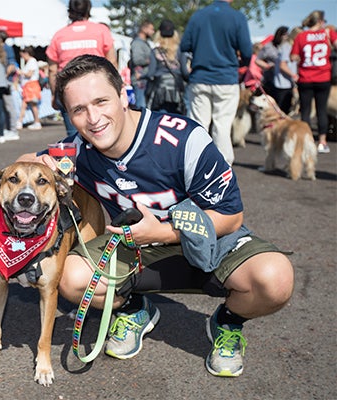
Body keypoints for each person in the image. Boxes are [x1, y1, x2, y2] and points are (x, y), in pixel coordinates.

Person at [20, 54, 294, 378]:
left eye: (101, 101)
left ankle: (229, 321)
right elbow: (25, 161)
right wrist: (38, 166)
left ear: (124, 96)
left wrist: (163, 233)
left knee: (276, 278)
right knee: (71, 278)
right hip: (139, 246)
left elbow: (230, 217)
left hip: (206, 239)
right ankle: (135, 310)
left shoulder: (184, 139)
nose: (93, 118)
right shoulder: (79, 149)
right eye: (79, 109)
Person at [180, 0, 252, 165]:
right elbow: (247, 51)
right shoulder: (237, 17)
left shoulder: (198, 16)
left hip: (200, 78)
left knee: (198, 124)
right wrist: (241, 63)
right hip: (226, 78)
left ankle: (195, 163)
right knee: (222, 125)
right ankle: (223, 166)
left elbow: (185, 45)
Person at [46, 0, 116, 136]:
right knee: (102, 131)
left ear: (70, 11)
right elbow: (112, 62)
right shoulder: (101, 31)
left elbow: (52, 70)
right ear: (88, 9)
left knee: (74, 136)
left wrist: (55, 95)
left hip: (68, 90)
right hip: (97, 88)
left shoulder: (59, 35)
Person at [291, 10, 337, 154]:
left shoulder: (301, 36)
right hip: (323, 78)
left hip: (305, 78)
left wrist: (303, 59)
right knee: (321, 110)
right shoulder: (328, 33)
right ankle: (322, 142)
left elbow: (293, 57)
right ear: (320, 21)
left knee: (306, 111)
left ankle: (307, 140)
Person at [143, 20, 189, 114]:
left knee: (161, 120)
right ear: (175, 34)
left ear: (159, 34)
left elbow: (151, 73)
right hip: (177, 90)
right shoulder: (181, 51)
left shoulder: (155, 51)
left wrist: (142, 76)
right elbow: (185, 72)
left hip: (160, 90)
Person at [256, 26, 297, 114]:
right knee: (273, 105)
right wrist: (267, 66)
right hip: (270, 79)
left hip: (284, 79)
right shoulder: (268, 47)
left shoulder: (288, 46)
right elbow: (257, 60)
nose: (286, 37)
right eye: (285, 35)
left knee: (284, 106)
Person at [129, 19, 155, 109]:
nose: (153, 32)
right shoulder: (137, 43)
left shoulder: (145, 43)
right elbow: (137, 60)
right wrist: (151, 60)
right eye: (151, 29)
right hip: (140, 81)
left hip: (145, 79)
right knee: (142, 108)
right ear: (144, 29)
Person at [17, 46, 42, 130]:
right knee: (28, 104)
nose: (22, 57)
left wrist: (21, 72)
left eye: (22, 55)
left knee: (30, 104)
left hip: (31, 85)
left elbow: (29, 74)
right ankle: (34, 121)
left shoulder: (32, 61)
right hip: (28, 86)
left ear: (26, 53)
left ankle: (23, 121)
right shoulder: (29, 62)